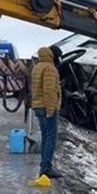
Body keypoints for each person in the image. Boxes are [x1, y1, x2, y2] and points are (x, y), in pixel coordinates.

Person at [30, 45, 63, 179]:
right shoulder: (50, 68)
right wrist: (51, 110)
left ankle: (44, 165)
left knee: (45, 137)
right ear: (53, 56)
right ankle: (46, 168)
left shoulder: (38, 66)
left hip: (38, 106)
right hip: (47, 107)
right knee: (51, 138)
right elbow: (49, 91)